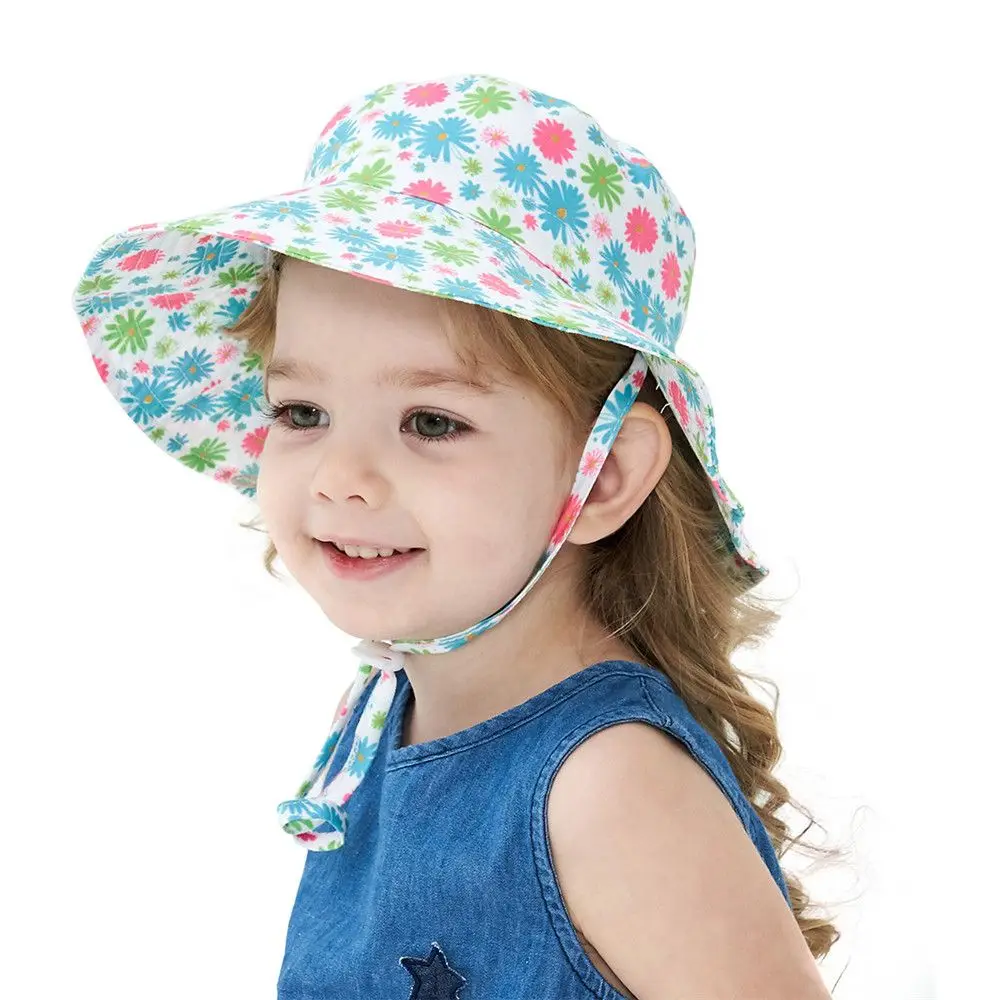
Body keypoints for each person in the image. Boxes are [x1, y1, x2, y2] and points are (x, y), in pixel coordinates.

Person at [71, 71, 839, 999]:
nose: (341, 479)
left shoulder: (606, 784)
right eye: (302, 409)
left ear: (605, 476)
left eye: (431, 422)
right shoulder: (394, 719)